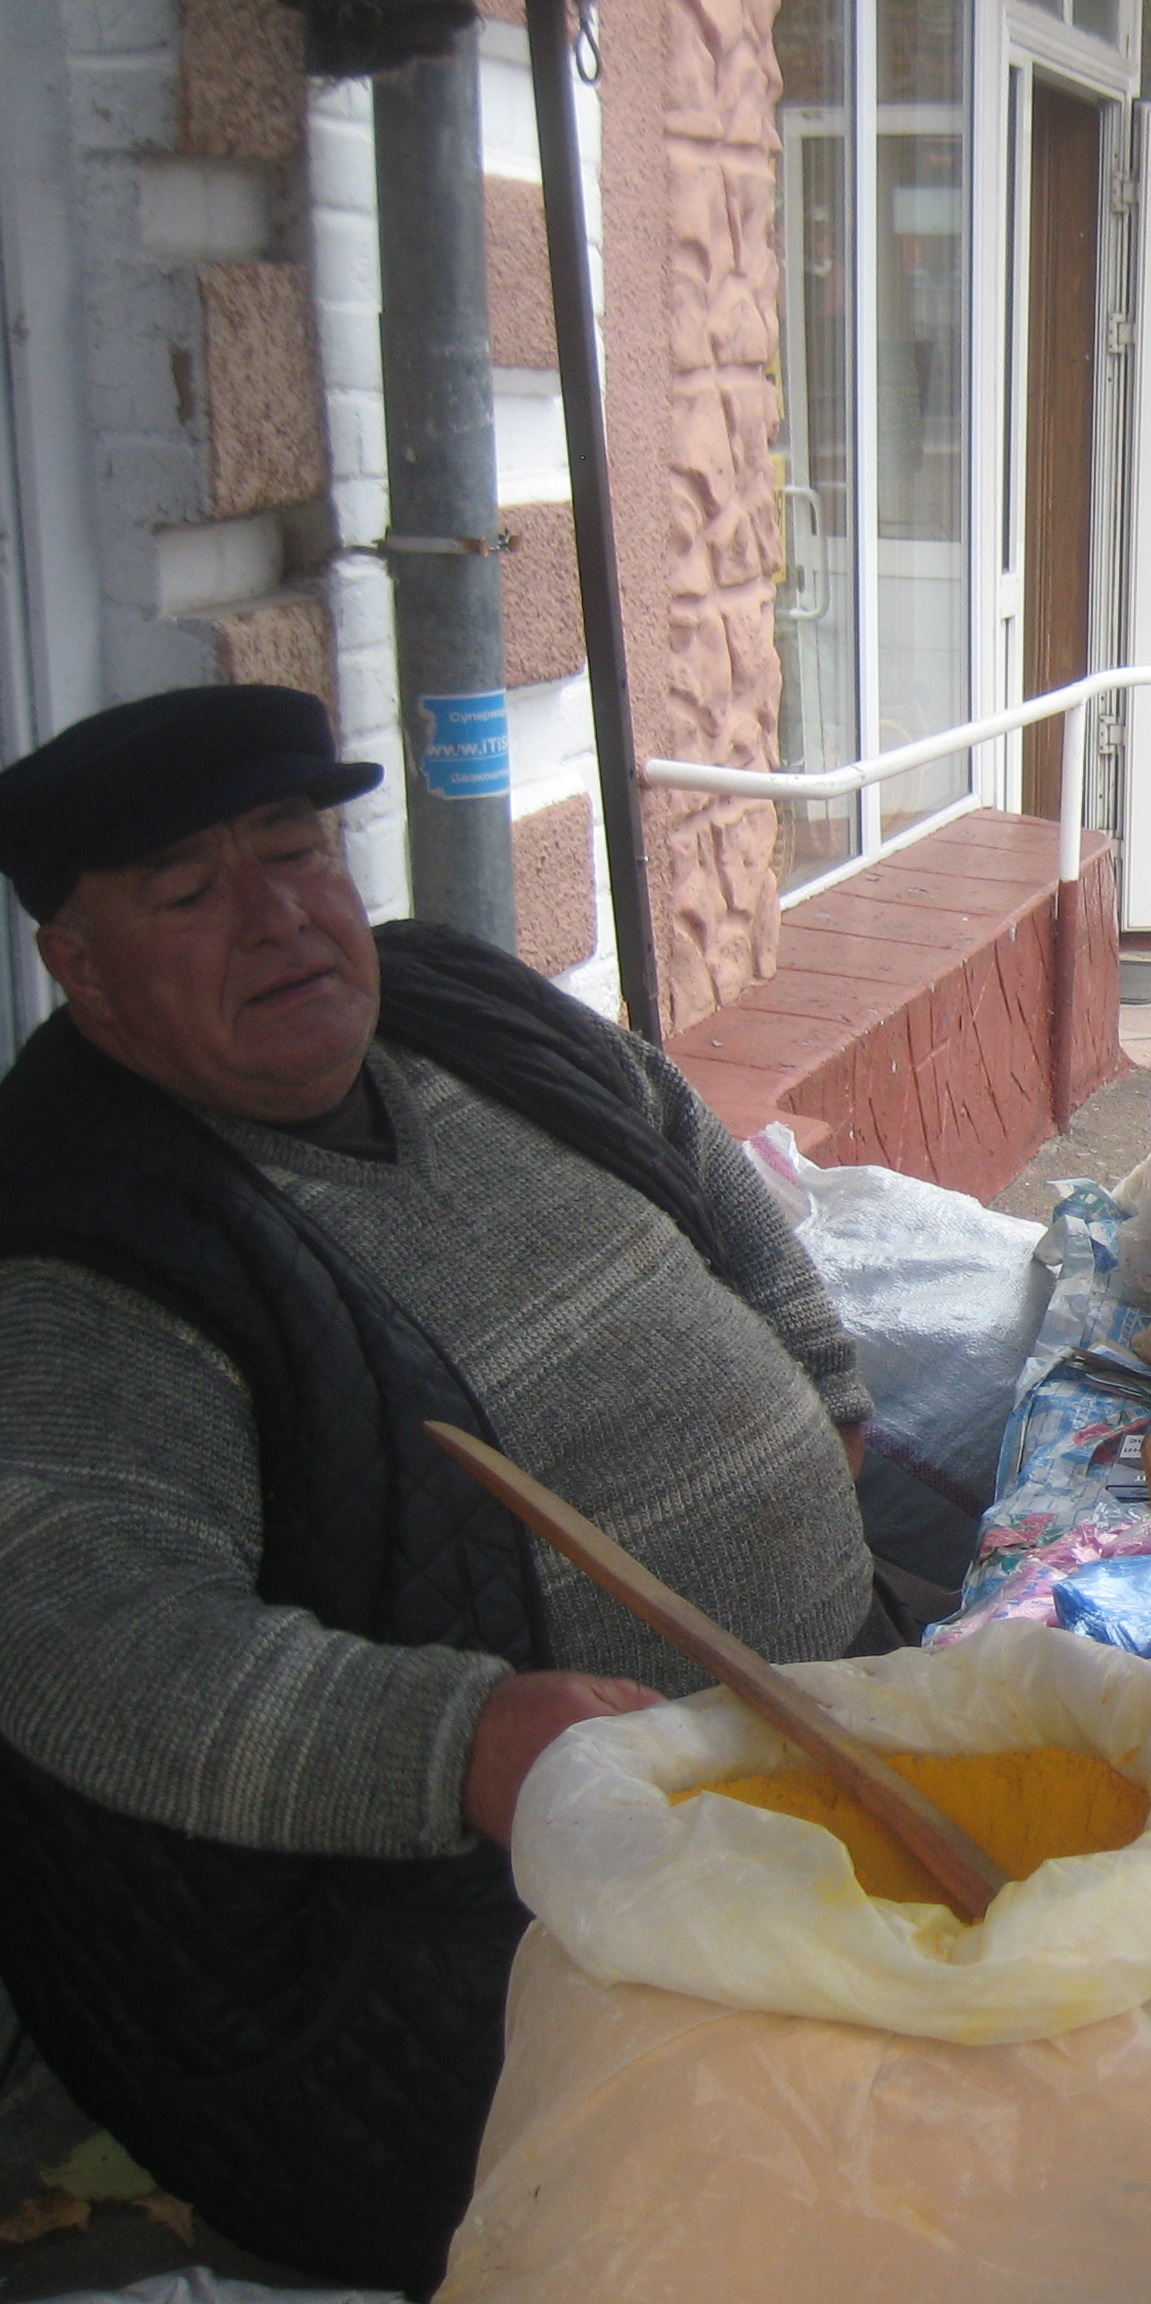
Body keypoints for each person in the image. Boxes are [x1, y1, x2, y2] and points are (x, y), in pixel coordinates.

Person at [0, 687, 894, 2292]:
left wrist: (815, 1395)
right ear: (80, 967)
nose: (278, 917)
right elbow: (80, 1635)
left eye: (299, 852)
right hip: (509, 1938)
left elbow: (694, 1160)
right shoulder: (85, 1238)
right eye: (191, 895)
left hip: (832, 1722)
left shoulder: (459, 999)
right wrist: (459, 1743)